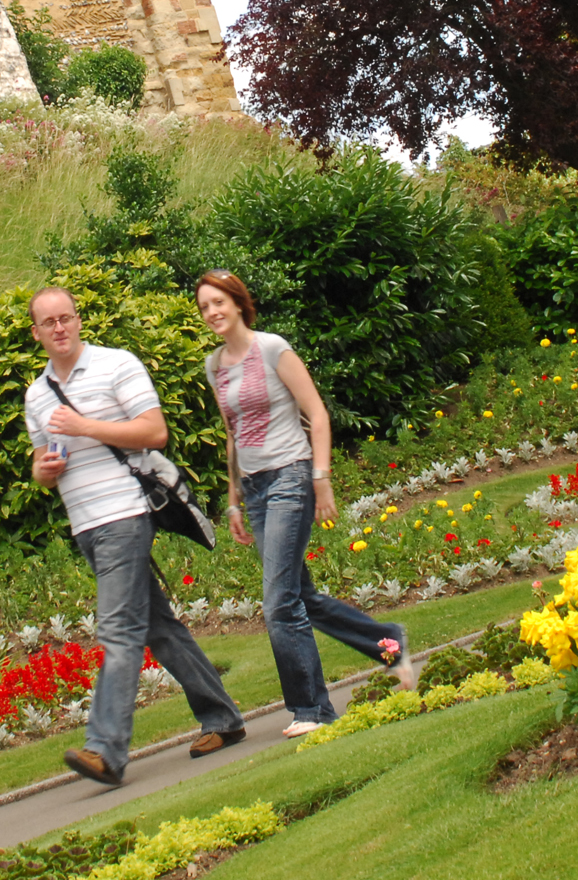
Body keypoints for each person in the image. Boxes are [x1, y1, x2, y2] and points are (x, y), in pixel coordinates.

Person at [23, 286, 245, 786]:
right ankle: (223, 719)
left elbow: (154, 432)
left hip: (125, 513)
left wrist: (85, 425)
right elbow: (42, 465)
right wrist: (45, 469)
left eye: (66, 318)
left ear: (78, 321)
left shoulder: (117, 364)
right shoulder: (37, 395)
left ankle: (106, 751)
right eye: (48, 322)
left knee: (119, 629)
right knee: (158, 627)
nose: (59, 328)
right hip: (85, 525)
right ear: (36, 332)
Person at [197, 270, 418, 735]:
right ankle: (389, 643)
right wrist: (233, 500)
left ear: (238, 303)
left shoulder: (273, 347)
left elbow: (316, 413)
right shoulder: (214, 366)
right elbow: (232, 435)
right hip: (254, 489)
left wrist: (322, 480)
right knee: (301, 597)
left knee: (278, 603)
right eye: (205, 307)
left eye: (219, 302)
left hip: (290, 476)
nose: (213, 312)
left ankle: (312, 710)